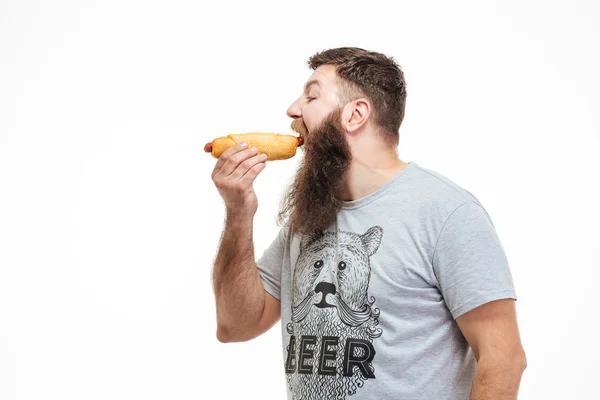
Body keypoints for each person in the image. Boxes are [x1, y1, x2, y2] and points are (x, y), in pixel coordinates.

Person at [210, 47, 527, 400]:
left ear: (355, 114)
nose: (293, 110)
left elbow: (503, 357)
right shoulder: (308, 216)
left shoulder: (447, 212)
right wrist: (239, 213)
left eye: (311, 96)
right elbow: (235, 325)